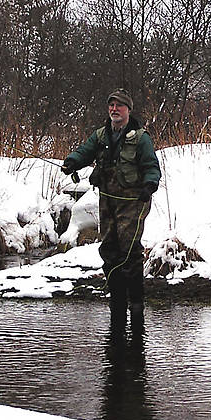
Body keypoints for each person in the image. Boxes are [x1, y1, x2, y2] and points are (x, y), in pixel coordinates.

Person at [61, 88, 161, 329]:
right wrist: (72, 161)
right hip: (107, 201)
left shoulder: (141, 138)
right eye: (111, 106)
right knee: (109, 248)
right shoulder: (101, 135)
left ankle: (136, 305)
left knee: (129, 251)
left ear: (128, 110)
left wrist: (149, 185)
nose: (114, 110)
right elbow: (85, 151)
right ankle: (117, 301)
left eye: (119, 106)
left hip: (133, 202)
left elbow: (151, 166)